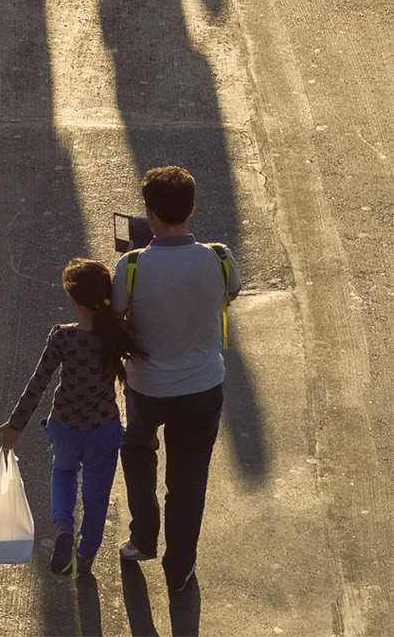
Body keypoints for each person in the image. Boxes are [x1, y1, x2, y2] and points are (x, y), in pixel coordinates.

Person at [112, 165, 241, 593]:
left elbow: (115, 314)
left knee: (137, 455)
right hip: (203, 387)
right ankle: (180, 567)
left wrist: (136, 254)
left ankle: (142, 539)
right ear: (192, 208)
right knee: (188, 481)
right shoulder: (220, 258)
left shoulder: (130, 265)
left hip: (147, 388)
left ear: (148, 214)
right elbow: (233, 291)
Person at [0, 258, 141, 582]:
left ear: (74, 303)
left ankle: (63, 528)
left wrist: (15, 425)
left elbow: (38, 382)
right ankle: (85, 558)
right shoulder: (120, 332)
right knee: (97, 499)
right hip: (104, 431)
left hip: (65, 429)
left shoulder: (62, 337)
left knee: (63, 473)